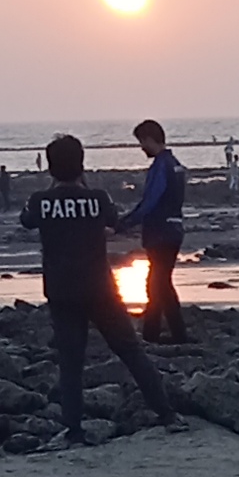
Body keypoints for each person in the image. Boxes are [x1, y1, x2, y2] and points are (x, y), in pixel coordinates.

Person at [19, 134, 177, 445]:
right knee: (131, 351)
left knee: (70, 362)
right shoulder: (99, 198)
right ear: (82, 164)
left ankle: (74, 429)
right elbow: (112, 221)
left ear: (50, 167)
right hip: (100, 287)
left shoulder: (40, 201)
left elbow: (27, 220)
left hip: (61, 289)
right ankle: (167, 414)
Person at [119, 119, 188, 340]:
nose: (141, 147)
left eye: (142, 142)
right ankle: (157, 332)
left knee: (158, 283)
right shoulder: (175, 164)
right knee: (159, 283)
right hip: (173, 229)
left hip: (161, 233)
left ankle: (169, 333)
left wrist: (124, 223)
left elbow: (150, 202)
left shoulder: (161, 166)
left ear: (149, 139)